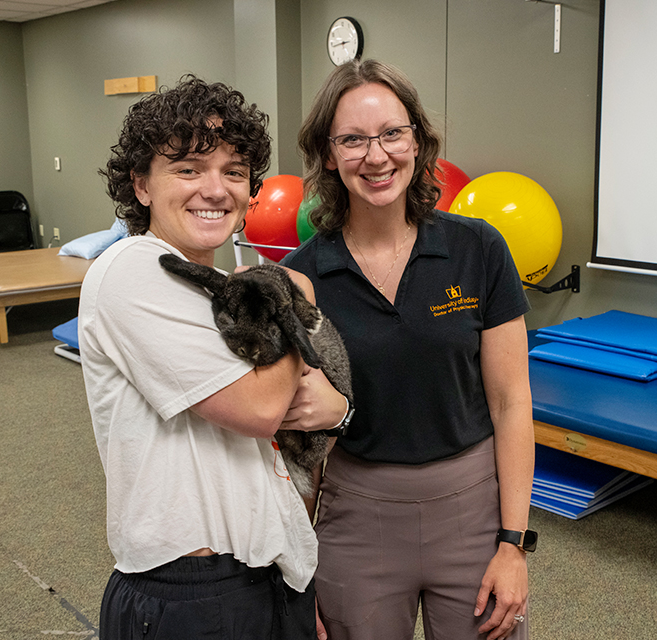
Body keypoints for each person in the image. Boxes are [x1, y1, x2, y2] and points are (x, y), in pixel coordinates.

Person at [80, 75, 346, 639]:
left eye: (233, 172)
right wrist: (296, 302)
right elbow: (259, 410)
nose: (215, 188)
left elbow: (314, 419)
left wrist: (295, 578)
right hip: (191, 592)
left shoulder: (227, 286)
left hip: (266, 574)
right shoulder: (132, 268)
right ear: (142, 186)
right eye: (188, 169)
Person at [282, 59, 536, 640]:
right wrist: (298, 572)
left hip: (472, 511)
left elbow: (511, 403)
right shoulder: (301, 278)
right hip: (358, 517)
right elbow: (300, 444)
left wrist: (514, 544)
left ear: (418, 142)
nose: (377, 156)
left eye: (392, 133)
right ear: (327, 153)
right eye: (353, 139)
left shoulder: (478, 250)